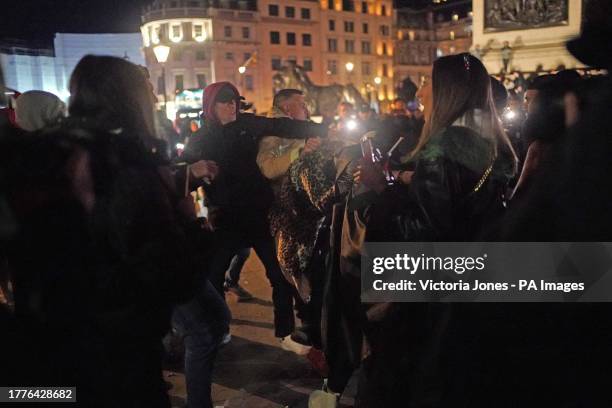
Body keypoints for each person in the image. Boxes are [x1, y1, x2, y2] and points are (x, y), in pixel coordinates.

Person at [2, 55, 197, 407]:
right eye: (147, 92)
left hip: (45, 360)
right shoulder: (123, 162)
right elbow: (173, 276)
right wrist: (190, 223)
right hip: (117, 361)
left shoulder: (39, 154)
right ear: (132, 98)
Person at [355, 53, 517, 407]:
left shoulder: (442, 146)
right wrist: (415, 184)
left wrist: (383, 192)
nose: (422, 91)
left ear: (448, 92)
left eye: (428, 82)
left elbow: (425, 231)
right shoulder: (494, 143)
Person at [182, 82, 328, 354]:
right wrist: (193, 177)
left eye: (235, 101)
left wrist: (320, 129)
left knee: (278, 274)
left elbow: (282, 127)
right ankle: (218, 329)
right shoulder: (200, 139)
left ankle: (284, 331)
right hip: (226, 219)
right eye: (224, 102)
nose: (232, 106)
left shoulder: (248, 124)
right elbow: (184, 177)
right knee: (214, 277)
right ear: (211, 106)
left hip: (259, 213)